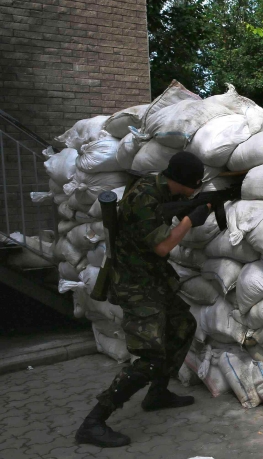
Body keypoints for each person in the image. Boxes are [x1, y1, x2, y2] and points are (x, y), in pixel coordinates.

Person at [75, 151, 210, 448]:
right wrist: (189, 219)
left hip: (151, 277)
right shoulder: (145, 196)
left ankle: (157, 393)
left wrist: (185, 209)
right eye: (196, 185)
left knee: (183, 325)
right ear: (189, 182)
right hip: (135, 284)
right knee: (149, 357)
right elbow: (163, 246)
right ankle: (94, 421)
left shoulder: (156, 187)